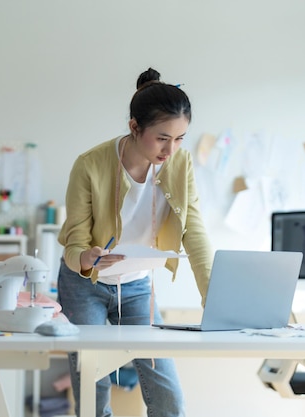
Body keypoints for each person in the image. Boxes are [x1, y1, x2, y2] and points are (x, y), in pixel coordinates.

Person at [56, 67, 213, 417]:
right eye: (161, 138)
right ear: (134, 127)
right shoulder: (89, 165)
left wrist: (213, 297)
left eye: (180, 139)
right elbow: (74, 246)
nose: (170, 149)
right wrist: (87, 258)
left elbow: (195, 231)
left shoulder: (179, 163)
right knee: (92, 393)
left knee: (167, 394)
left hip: (138, 284)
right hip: (85, 285)